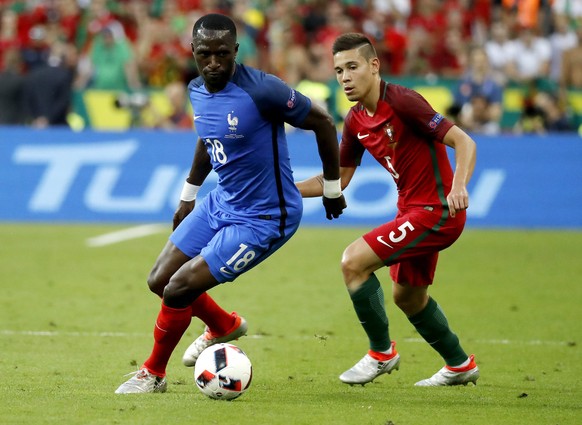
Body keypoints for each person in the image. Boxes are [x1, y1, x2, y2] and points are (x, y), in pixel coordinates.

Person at [115, 13, 346, 394]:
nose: (213, 63)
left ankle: (153, 374)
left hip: (266, 217)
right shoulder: (196, 90)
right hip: (221, 201)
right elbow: (209, 139)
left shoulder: (263, 91)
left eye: (223, 54)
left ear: (236, 51)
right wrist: (188, 194)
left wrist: (333, 188)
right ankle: (224, 326)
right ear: (192, 51)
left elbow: (322, 121)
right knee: (159, 281)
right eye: (205, 54)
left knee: (178, 289)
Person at [297, 33, 479, 387]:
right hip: (411, 211)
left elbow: (464, 141)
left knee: (353, 261)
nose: (345, 78)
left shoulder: (404, 102)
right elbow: (338, 180)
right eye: (338, 71)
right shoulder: (354, 120)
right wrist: (285, 189)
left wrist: (459, 185)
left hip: (437, 211)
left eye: (352, 67)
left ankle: (381, 353)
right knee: (408, 297)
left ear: (374, 66)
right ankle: (459, 364)